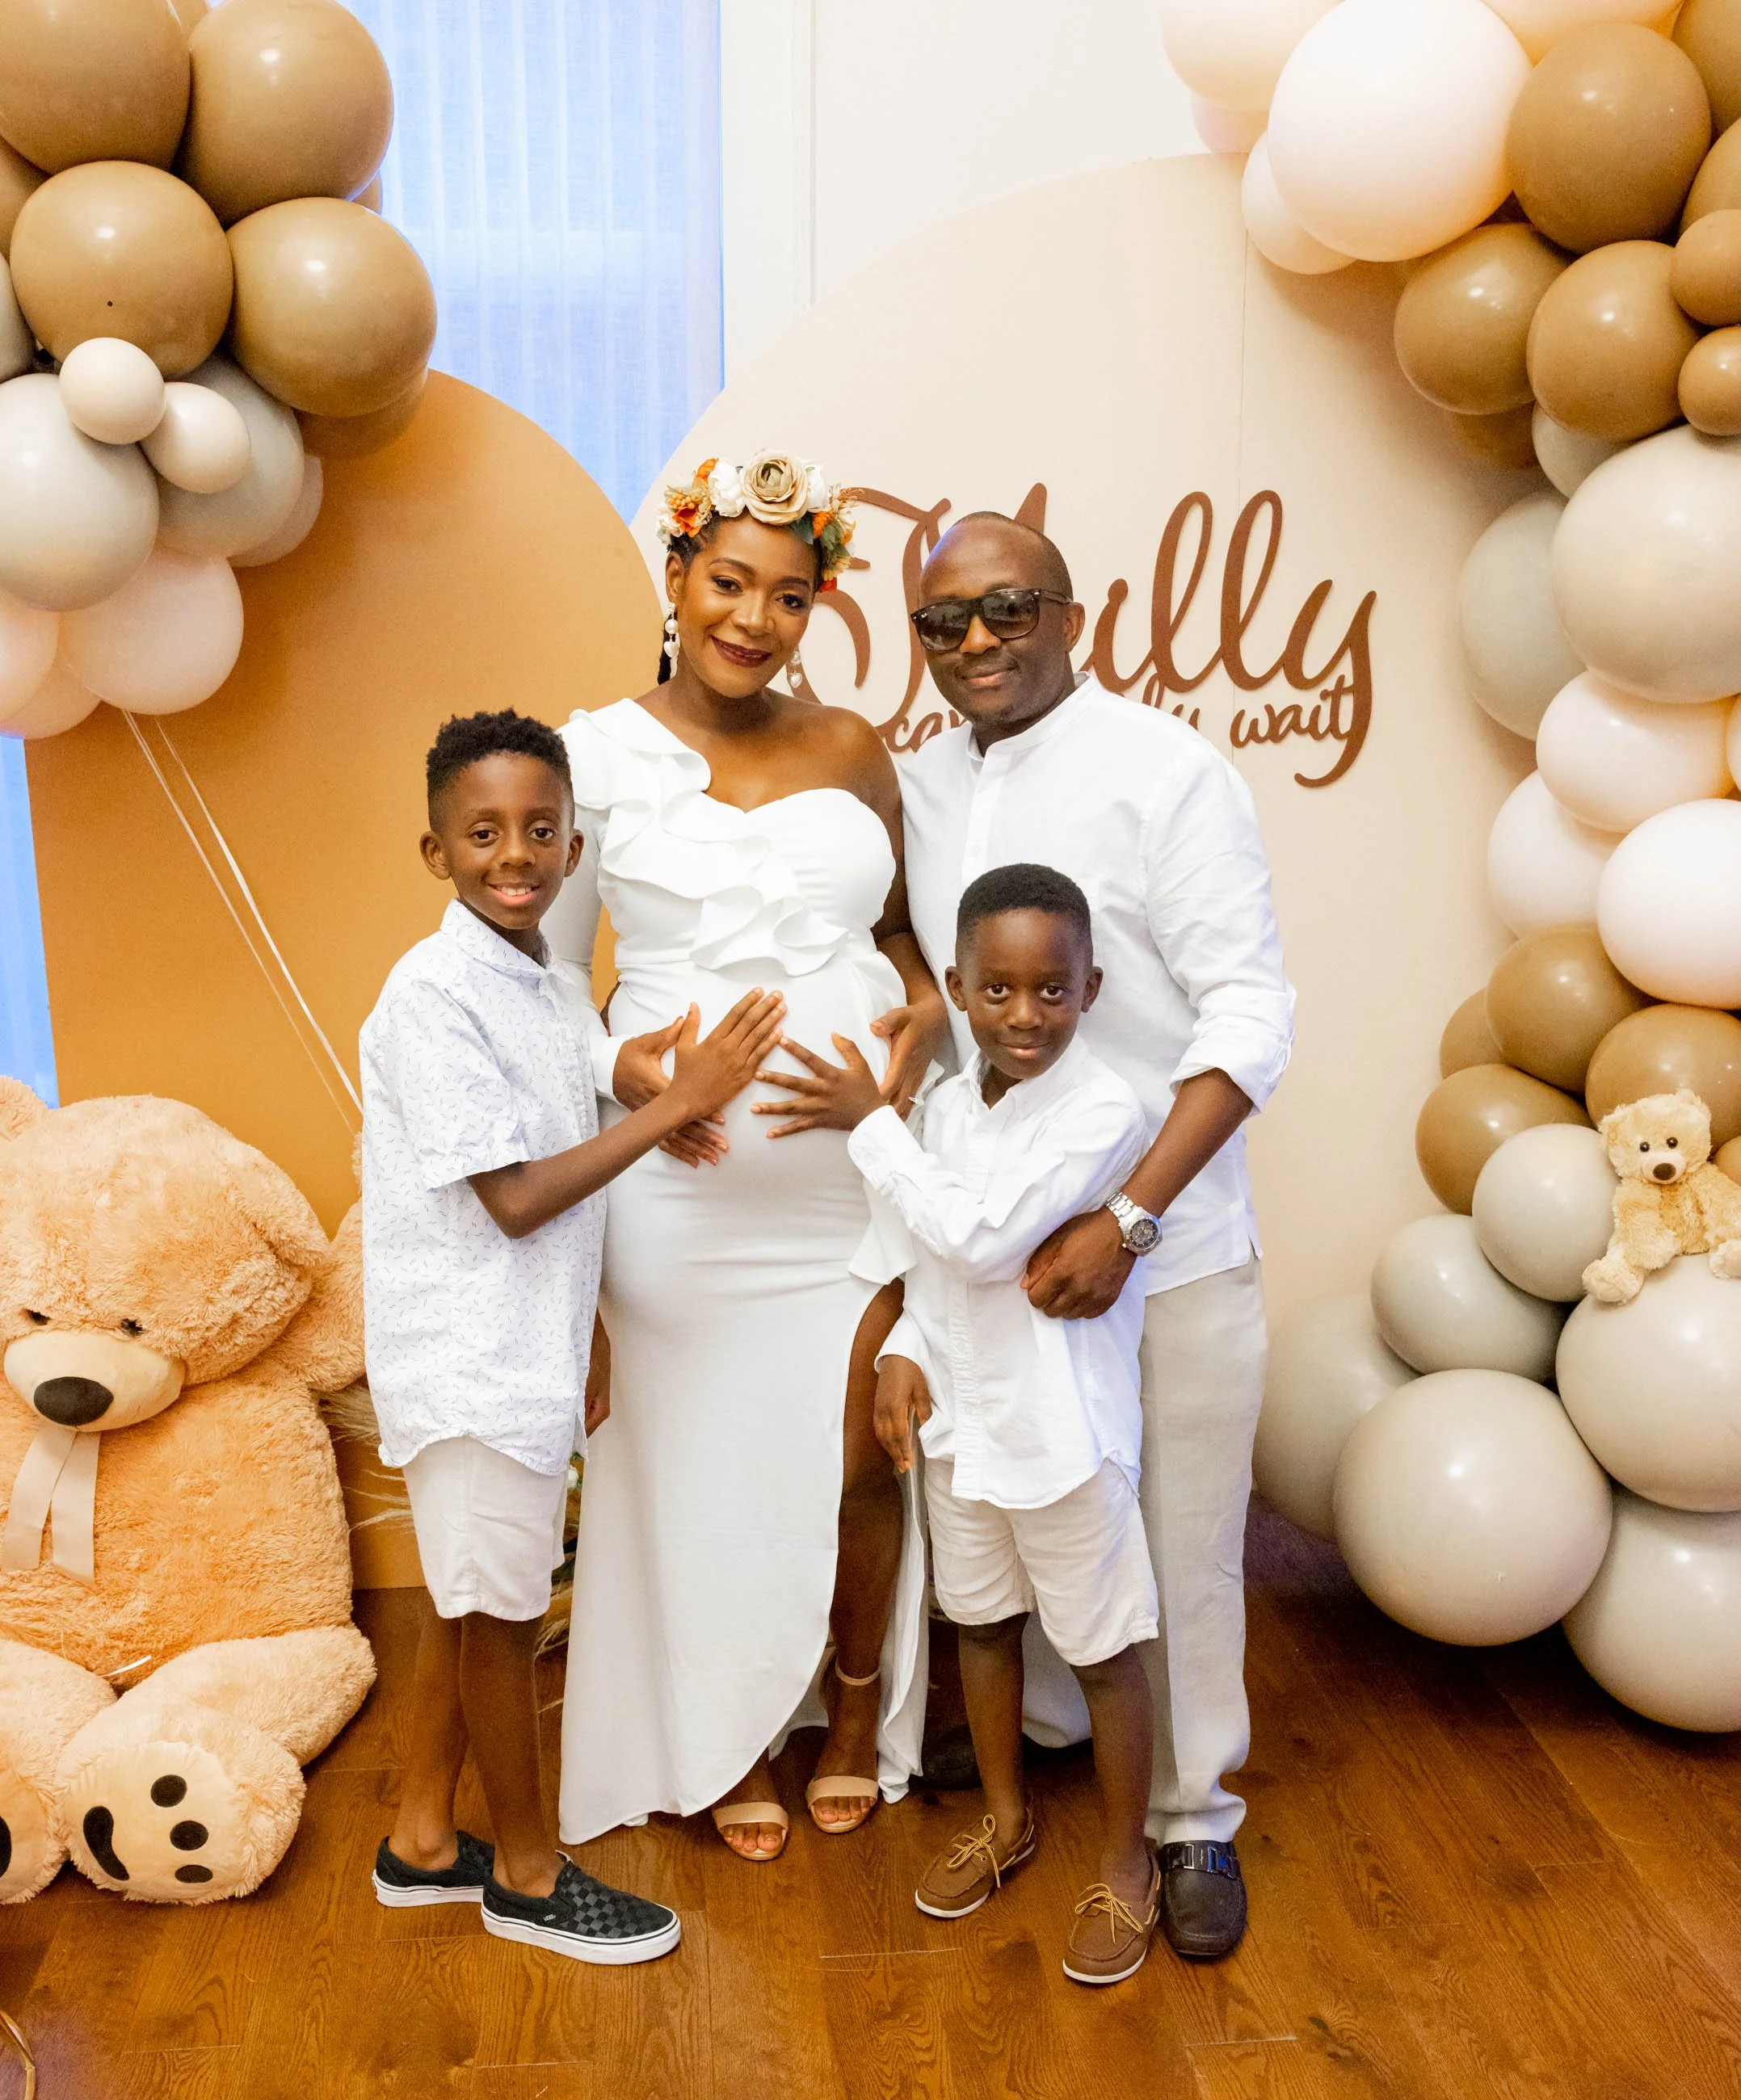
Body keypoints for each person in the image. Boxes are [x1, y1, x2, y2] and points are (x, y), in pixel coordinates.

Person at [894, 513, 1295, 1961]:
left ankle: (1189, 1823)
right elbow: (921, 990)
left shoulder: (1167, 772)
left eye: (1009, 609)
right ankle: (1046, 1756)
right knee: (1019, 1529)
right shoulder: (922, 784)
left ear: (1077, 611)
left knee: (1180, 1548)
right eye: (943, 623)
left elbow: (1250, 1015)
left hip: (1163, 1251)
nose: (978, 643)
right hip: (1002, 1274)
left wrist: (1131, 1217)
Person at [545, 452, 948, 1863]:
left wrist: (919, 1025)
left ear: (815, 609)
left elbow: (906, 944)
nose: (755, 619)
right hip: (675, 1190)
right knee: (696, 1464)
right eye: (729, 583)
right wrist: (627, 1071)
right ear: (676, 579)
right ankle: (717, 1737)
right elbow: (539, 979)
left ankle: (846, 1720)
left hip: (846, 1180)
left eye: (789, 595)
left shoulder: (850, 750)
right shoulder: (590, 756)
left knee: (856, 1460)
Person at [360, 708, 784, 1961]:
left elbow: (552, 1078)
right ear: (434, 852)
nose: (516, 854)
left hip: (526, 1345)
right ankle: (530, 1876)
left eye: (541, 831)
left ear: (573, 840)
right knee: (497, 1619)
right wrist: (685, 1104)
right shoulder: (431, 993)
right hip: (471, 1357)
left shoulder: (534, 976)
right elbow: (515, 1196)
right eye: (483, 833)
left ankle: (423, 1840)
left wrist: (622, 1067)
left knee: (466, 1597)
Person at [763, 861, 1166, 1986]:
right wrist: (898, 1349)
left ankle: (1127, 1865)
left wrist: (864, 1126)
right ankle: (1005, 1818)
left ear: (1091, 987)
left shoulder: (1102, 1109)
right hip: (960, 1424)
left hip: (1058, 1433)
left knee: (1099, 1647)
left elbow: (984, 1240)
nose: (1023, 1016)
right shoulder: (941, 1104)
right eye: (996, 992)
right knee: (977, 1625)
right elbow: (920, 1259)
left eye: (1050, 991)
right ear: (955, 985)